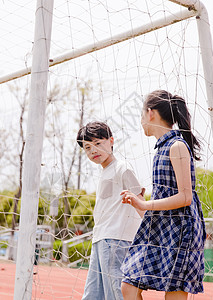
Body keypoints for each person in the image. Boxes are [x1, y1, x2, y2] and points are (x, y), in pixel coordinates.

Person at [120, 90, 205, 300]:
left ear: (150, 113)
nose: (141, 121)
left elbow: (185, 197)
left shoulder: (177, 146)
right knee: (129, 286)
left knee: (173, 295)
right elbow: (163, 199)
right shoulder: (161, 148)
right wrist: (139, 205)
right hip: (160, 230)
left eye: (141, 115)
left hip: (182, 231)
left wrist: (144, 204)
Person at [76, 121, 145, 300]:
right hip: (100, 238)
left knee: (116, 291)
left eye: (98, 144)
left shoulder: (122, 168)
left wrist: (151, 234)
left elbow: (140, 200)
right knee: (92, 294)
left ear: (111, 141)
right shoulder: (104, 172)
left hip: (117, 240)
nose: (93, 151)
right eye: (87, 147)